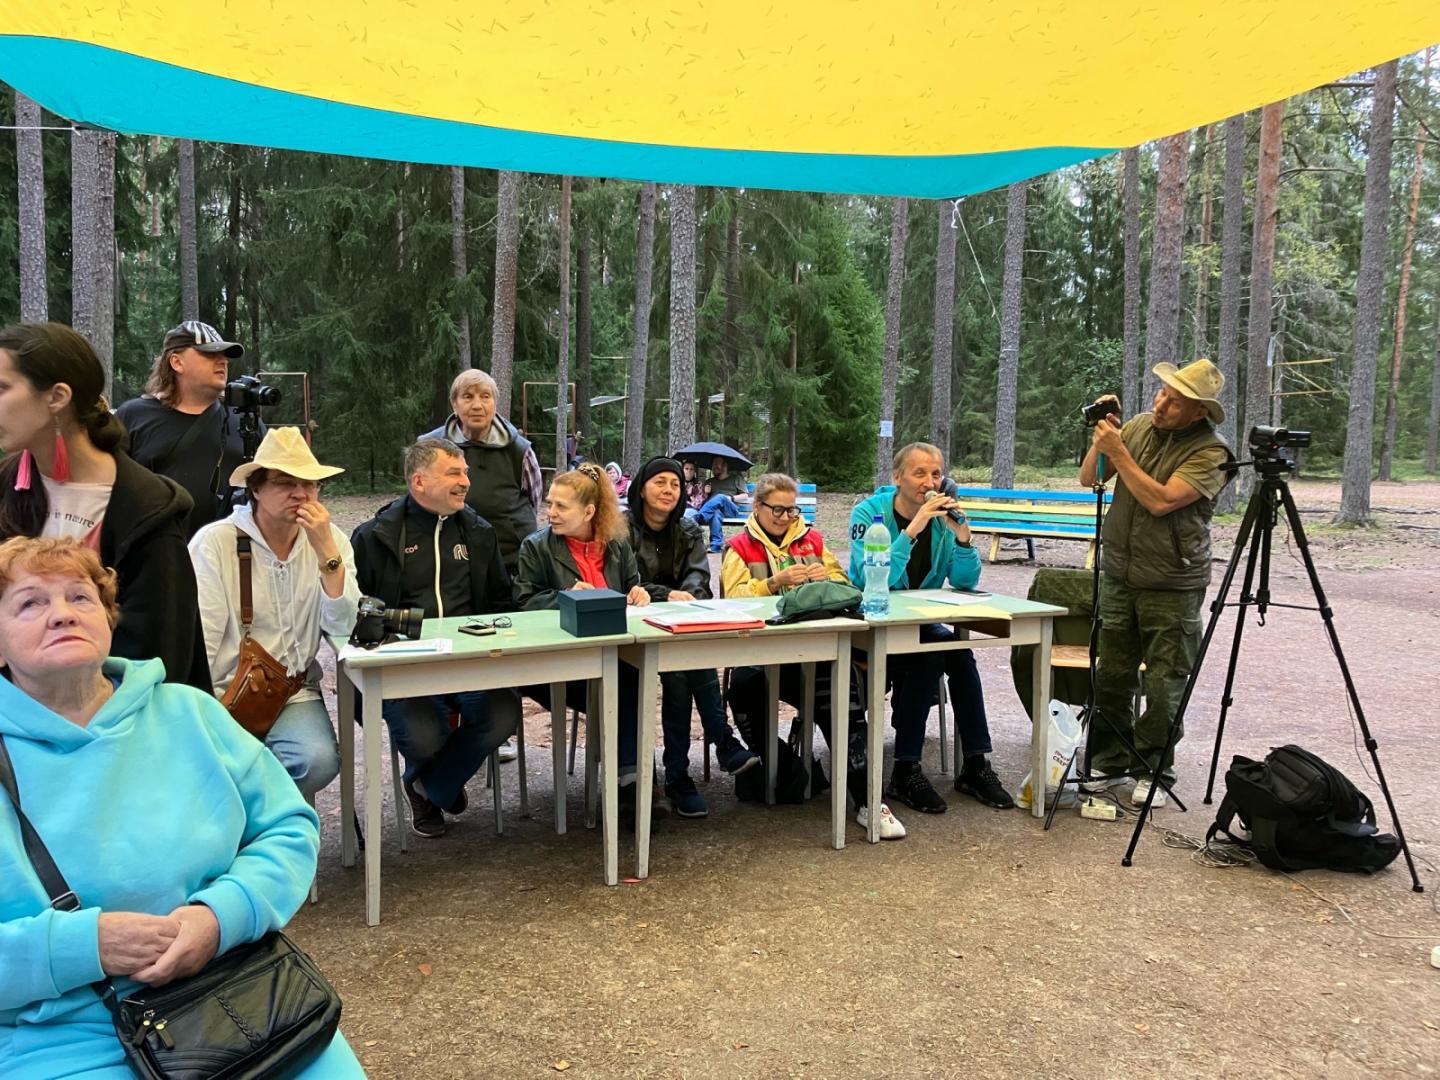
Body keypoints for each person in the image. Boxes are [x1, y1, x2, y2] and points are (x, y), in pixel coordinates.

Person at [0, 536, 364, 1078]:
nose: (61, 615)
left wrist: (218, 918)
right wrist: (83, 946)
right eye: (30, 603)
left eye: (80, 597)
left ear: (107, 617)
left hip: (240, 992)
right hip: (65, 1036)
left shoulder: (191, 713)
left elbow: (287, 828)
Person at [0, 322, 209, 690]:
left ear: (57, 397)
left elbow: (159, 665)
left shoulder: (148, 513)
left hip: (114, 730)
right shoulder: (5, 486)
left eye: (2, 388)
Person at [1079, 359, 1234, 808]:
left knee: (1165, 683)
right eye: (1162, 393)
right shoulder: (1141, 426)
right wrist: (1107, 435)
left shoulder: (1212, 453)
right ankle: (1108, 760)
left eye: (1175, 400)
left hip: (1172, 580)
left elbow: (1161, 501)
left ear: (1199, 411)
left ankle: (1153, 766)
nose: (1161, 403)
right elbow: (1092, 478)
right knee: (1111, 674)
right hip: (1120, 573)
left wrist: (1120, 452)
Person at [351, 438, 521, 838]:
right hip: (402, 669)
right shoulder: (375, 536)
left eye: (465, 472)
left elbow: (501, 599)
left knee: (503, 713)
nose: (465, 481)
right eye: (454, 473)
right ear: (419, 481)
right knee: (425, 735)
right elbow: (356, 614)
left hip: (470, 662)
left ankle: (431, 785)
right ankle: (435, 777)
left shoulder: (478, 532)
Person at [721, 472, 904, 840]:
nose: (787, 517)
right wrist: (773, 584)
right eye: (778, 510)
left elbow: (847, 589)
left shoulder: (813, 540)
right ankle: (782, 768)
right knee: (742, 686)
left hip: (814, 653)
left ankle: (869, 799)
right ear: (757, 508)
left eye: (793, 510)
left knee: (838, 688)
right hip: (759, 654)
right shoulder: (738, 547)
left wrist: (825, 579)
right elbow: (731, 599)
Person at [188, 427, 358, 801]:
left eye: (310, 484)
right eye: (285, 482)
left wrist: (327, 554)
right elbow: (202, 638)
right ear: (255, 490)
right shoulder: (216, 543)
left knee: (317, 761)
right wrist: (208, 715)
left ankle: (258, 818)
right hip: (223, 693)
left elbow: (343, 626)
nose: (300, 493)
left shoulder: (332, 542)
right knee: (215, 769)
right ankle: (265, 825)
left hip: (289, 691)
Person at [849, 442, 1015, 816]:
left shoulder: (943, 519)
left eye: (936, 474)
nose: (930, 481)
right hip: (871, 625)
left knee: (959, 652)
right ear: (897, 477)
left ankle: (975, 764)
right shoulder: (868, 514)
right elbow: (870, 578)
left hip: (919, 623)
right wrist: (913, 529)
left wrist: (962, 537)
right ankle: (905, 769)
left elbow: (965, 581)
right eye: (920, 473)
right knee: (930, 654)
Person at [514, 462, 662, 825]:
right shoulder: (536, 548)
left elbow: (630, 587)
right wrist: (565, 596)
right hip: (554, 666)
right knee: (626, 684)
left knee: (631, 678)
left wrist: (638, 593)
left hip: (611, 657)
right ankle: (636, 785)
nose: (551, 512)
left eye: (561, 506)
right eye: (550, 503)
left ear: (589, 511)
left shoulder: (617, 544)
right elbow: (522, 604)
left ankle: (633, 783)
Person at [626, 456, 760, 817]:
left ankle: (678, 775)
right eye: (660, 483)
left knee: (682, 667)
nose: (669, 490)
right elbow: (624, 582)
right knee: (681, 666)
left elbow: (699, 578)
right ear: (641, 488)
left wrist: (684, 596)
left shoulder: (686, 529)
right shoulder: (622, 529)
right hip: (633, 632)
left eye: (674, 484)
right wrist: (664, 594)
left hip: (680, 627)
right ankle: (720, 742)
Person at [116, 320, 259, 538]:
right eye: (209, 354)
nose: (222, 360)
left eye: (224, 355)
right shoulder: (134, 416)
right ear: (176, 362)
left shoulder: (245, 420)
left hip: (229, 558)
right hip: (155, 555)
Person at [420, 369, 541, 575]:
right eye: (467, 396)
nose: (477, 405)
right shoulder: (430, 448)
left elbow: (533, 501)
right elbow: (420, 499)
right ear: (454, 404)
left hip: (510, 560)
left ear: (494, 404)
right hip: (448, 557)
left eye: (485, 396)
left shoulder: (520, 450)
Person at [691, 455, 751, 553]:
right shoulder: (710, 482)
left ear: (725, 465)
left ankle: (698, 517)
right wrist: (706, 492)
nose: (714, 466)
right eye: (713, 464)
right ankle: (716, 546)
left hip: (731, 510)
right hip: (715, 510)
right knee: (715, 513)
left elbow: (745, 496)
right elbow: (704, 500)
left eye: (717, 464)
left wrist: (731, 498)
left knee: (720, 497)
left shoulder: (736, 478)